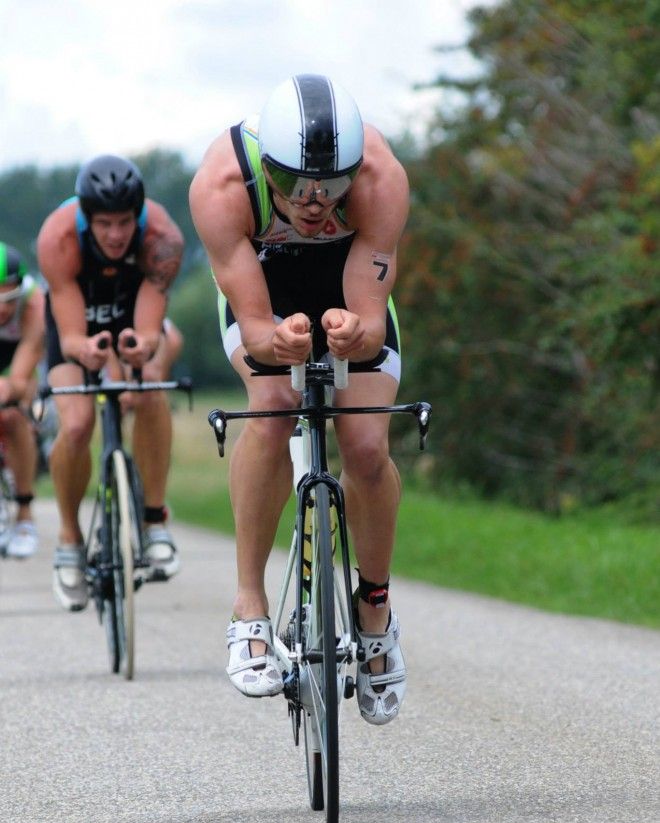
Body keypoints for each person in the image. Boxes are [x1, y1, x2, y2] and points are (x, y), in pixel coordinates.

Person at [190, 74, 409, 725]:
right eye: (296, 185)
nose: (315, 203)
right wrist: (274, 337)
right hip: (266, 290)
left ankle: (374, 614)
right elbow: (252, 322)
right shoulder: (223, 187)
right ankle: (249, 607)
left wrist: (355, 329)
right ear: (267, 167)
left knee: (366, 445)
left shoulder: (381, 178)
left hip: (346, 286)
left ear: (353, 171)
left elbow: (369, 310)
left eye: (332, 185)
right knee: (271, 410)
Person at [37, 154, 184, 611]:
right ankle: (68, 537)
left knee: (150, 386)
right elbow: (71, 333)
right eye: (104, 224)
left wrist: (141, 347)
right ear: (86, 217)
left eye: (124, 222)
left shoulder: (163, 239)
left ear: (138, 215)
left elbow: (148, 320)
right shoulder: (57, 238)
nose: (116, 235)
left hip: (128, 305)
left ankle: (154, 519)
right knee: (77, 422)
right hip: (76, 316)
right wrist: (85, 351)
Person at [0, 243, 45, 558]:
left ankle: (25, 513)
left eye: (9, 298)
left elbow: (19, 379)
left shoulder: (34, 304)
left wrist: (11, 390)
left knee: (14, 416)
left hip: (17, 359)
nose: (3, 308)